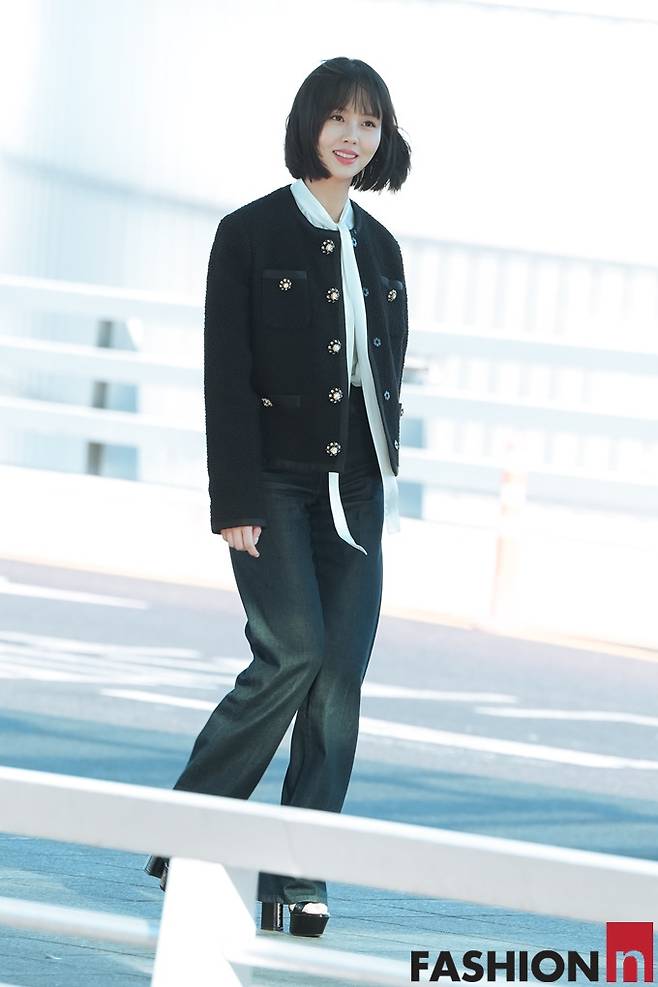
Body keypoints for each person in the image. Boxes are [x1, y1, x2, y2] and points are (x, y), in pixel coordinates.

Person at [144, 55, 411, 939]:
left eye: (369, 123)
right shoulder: (249, 234)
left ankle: (297, 875)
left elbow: (382, 373)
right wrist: (235, 497)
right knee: (291, 650)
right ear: (309, 125)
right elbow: (225, 374)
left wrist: (385, 473)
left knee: (338, 679)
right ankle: (190, 833)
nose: (352, 136)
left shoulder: (382, 247)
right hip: (274, 483)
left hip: (358, 492)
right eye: (338, 118)